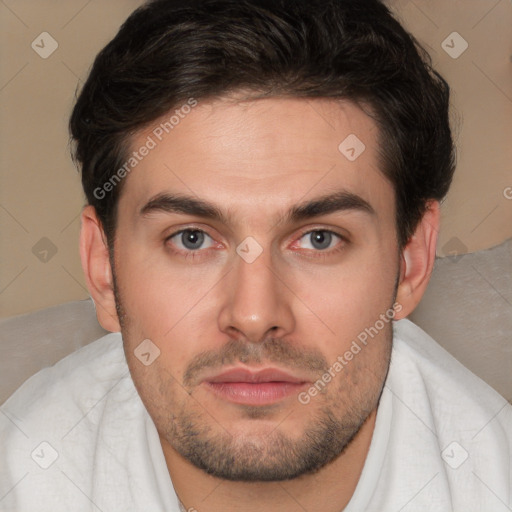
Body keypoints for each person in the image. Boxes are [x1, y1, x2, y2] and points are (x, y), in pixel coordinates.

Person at [1, 0, 511, 510]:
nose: (254, 315)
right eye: (191, 239)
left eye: (319, 239)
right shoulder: (23, 476)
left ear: (411, 262)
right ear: (103, 270)